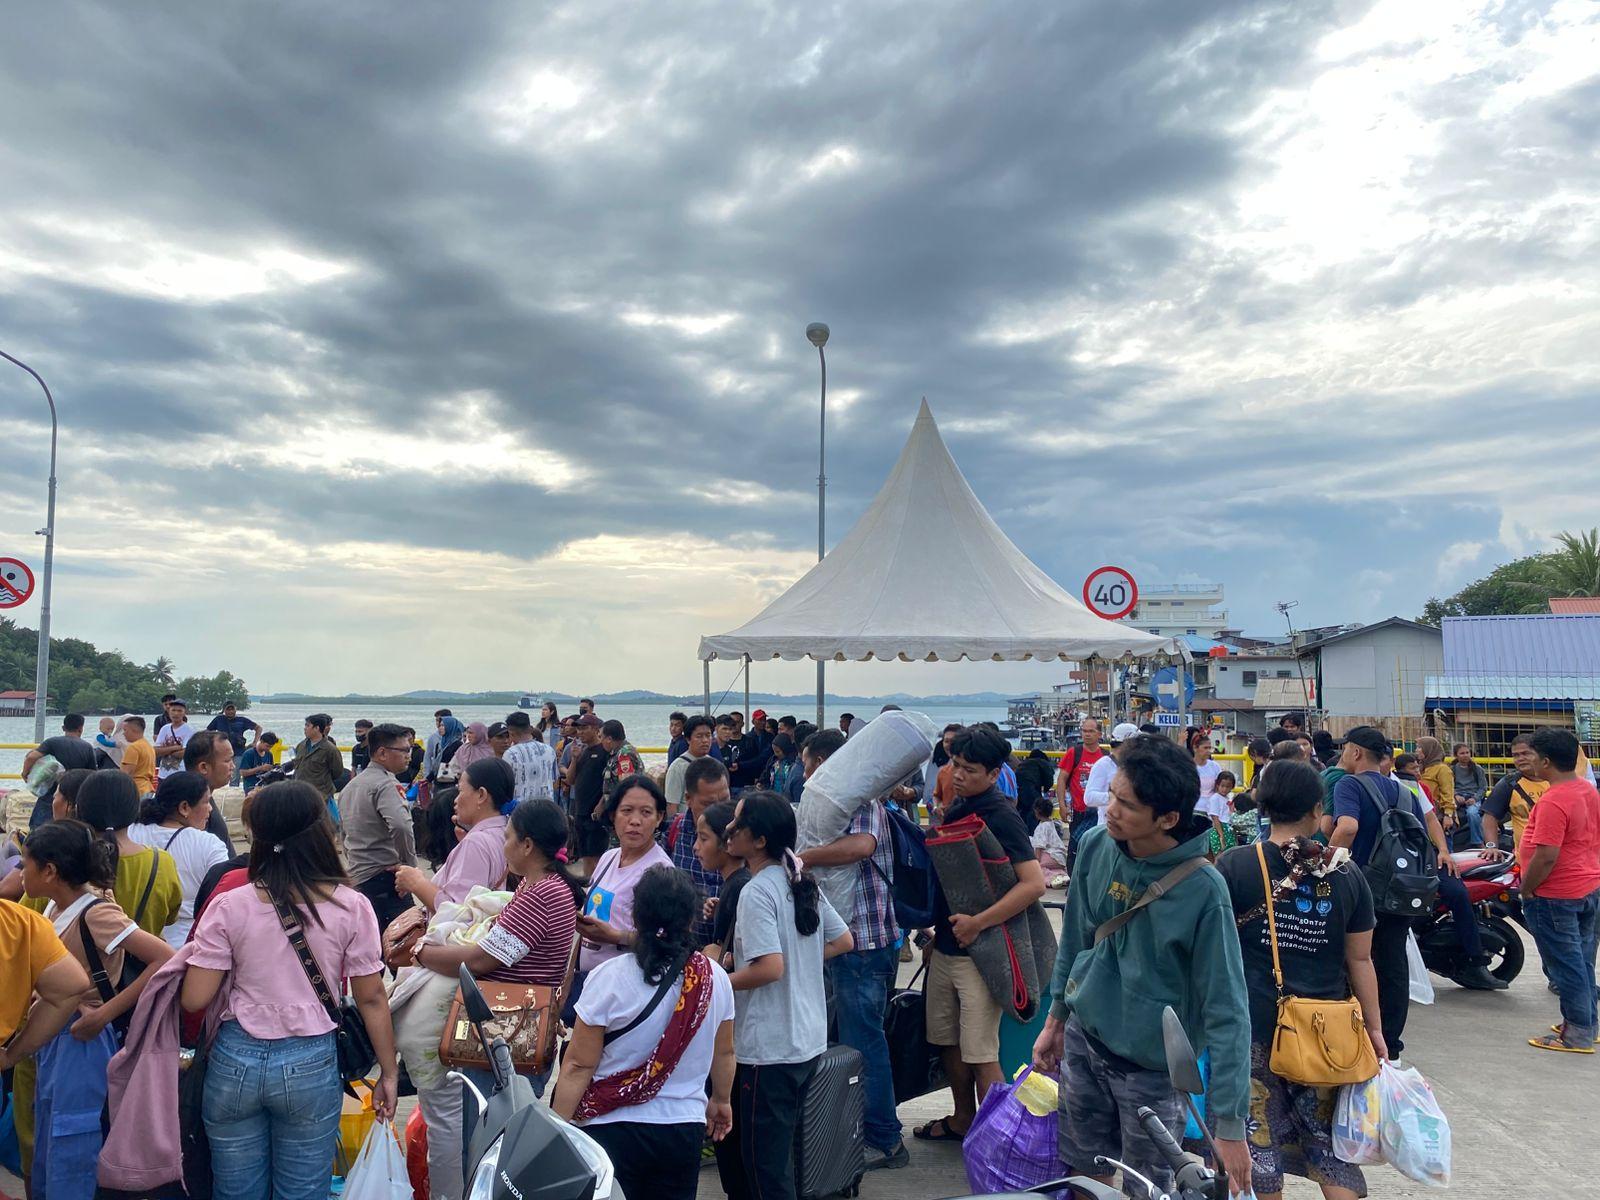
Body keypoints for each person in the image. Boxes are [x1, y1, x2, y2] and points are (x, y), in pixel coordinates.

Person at [1033, 734, 1253, 1198]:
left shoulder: (1204, 890)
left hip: (1152, 1071)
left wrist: (1230, 1126)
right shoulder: (1095, 845)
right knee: (1082, 1173)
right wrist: (1056, 1020)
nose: (1111, 809)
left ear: (1168, 818)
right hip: (1084, 1042)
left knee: (1147, 1188)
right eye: (1112, 794)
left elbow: (1227, 1008)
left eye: (1127, 804)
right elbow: (1075, 938)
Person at [182, 780, 400, 1200]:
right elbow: (372, 997)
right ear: (320, 832)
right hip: (310, 1063)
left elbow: (194, 998)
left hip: (233, 1061)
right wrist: (388, 1073)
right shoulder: (351, 906)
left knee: (234, 1191)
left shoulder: (231, 905)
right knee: (302, 1190)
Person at [1214, 761, 1384, 1200]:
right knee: (1331, 1149)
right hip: (1329, 1033)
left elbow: (1211, 951)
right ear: (1317, 808)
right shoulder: (1346, 872)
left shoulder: (1236, 865)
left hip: (1255, 1027)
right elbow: (1361, 959)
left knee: (1260, 1149)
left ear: (1264, 806)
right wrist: (1376, 1030)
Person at [400, 799, 584, 1196]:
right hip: (512, 1031)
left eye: (508, 838)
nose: (503, 846)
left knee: (488, 1144)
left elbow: (482, 959)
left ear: (528, 845)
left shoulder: (541, 894)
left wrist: (424, 952)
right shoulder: (544, 888)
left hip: (507, 1035)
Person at [552, 867, 736, 1200]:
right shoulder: (715, 979)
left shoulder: (608, 978)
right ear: (691, 921)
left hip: (611, 1130)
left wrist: (557, 1129)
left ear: (636, 917)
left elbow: (578, 1066)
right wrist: (721, 1101)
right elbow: (724, 1053)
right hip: (682, 1131)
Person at [19, 820, 178, 1200]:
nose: (20, 872)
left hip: (81, 1040)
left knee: (74, 1139)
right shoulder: (60, 906)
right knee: (51, 1136)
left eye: (25, 863)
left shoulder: (96, 913)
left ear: (50, 871)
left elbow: (163, 958)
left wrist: (103, 1015)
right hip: (56, 1037)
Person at [1324, 727, 1498, 1062]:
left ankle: (1355, 1036)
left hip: (1361, 887)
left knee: (1356, 960)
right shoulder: (1405, 790)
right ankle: (1391, 1044)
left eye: (1345, 748)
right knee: (1392, 959)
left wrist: (1325, 862)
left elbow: (1347, 827)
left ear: (1357, 752)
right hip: (1401, 888)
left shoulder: (1349, 784)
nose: (1343, 755)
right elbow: (1420, 834)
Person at [719, 791, 852, 1200]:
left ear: (758, 840)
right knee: (784, 1157)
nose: (728, 829)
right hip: (806, 1041)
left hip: (768, 1049)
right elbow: (842, 940)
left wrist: (718, 980)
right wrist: (801, 960)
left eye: (736, 824)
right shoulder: (798, 878)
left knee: (764, 1170)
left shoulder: (757, 891)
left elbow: (770, 969)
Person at [918, 725, 1045, 1144]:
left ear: (993, 775)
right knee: (945, 1041)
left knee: (979, 1049)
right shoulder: (958, 806)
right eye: (955, 764)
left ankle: (997, 1140)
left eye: (970, 770)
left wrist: (980, 922)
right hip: (949, 947)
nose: (957, 774)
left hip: (984, 952)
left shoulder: (1001, 815)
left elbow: (1033, 884)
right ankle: (961, 1120)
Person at [798, 787, 906, 1171]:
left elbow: (862, 845)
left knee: (863, 1043)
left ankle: (884, 1137)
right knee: (853, 1038)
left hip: (864, 942)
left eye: (813, 769)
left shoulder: (859, 799)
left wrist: (802, 858)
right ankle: (861, 1129)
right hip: (854, 943)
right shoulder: (843, 802)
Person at [1517, 727, 1600, 1052]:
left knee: (1565, 964)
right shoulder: (1587, 791)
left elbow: (1547, 855)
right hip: (1587, 886)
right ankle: (1586, 1022)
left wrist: (1527, 888)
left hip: (1556, 895)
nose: (1528, 763)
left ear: (1546, 761)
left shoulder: (1553, 800)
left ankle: (1576, 1033)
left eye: (1532, 756)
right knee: (1581, 960)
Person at [577, 775, 674, 988]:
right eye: (626, 811)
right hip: (591, 981)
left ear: (659, 818)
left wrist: (616, 936)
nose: (635, 821)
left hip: (628, 987)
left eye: (646, 812)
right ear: (613, 815)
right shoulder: (608, 857)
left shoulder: (661, 872)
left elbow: (667, 941)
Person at [393, 756, 513, 913]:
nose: (456, 800)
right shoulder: (505, 831)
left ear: (481, 795)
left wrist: (416, 882)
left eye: (461, 790)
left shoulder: (476, 842)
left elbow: (458, 912)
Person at [75, 770, 183, 939]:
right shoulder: (160, 862)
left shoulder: (65, 860)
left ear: (78, 810)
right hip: (145, 963)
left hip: (72, 964)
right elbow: (170, 917)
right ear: (135, 812)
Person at [128, 771, 229, 946]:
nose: (210, 809)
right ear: (184, 808)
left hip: (132, 939)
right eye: (206, 801)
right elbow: (223, 898)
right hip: (187, 943)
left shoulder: (131, 833)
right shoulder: (209, 845)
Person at [339, 722, 419, 932]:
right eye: (404, 750)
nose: (408, 755)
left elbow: (344, 833)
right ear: (382, 753)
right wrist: (409, 864)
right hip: (386, 877)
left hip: (359, 876)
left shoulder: (351, 787)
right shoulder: (386, 785)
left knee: (369, 950)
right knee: (404, 949)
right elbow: (402, 827)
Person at [666, 755, 731, 946]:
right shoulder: (675, 831)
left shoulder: (743, 834)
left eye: (725, 800)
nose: (719, 810)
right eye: (708, 804)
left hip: (729, 956)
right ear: (688, 799)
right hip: (684, 951)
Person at [24, 713, 100, 825]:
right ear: (81, 728)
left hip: (50, 792)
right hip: (75, 795)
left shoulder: (52, 742)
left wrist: (25, 773)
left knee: (40, 827)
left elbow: (32, 757)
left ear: (63, 728)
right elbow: (93, 774)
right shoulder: (87, 747)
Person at [695, 800, 747, 962]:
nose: (695, 846)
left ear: (727, 843)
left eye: (703, 839)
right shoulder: (734, 883)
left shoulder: (738, 887)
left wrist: (726, 957)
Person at [1052, 717, 1106, 866]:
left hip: (1101, 813)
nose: (1087, 734)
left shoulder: (1106, 756)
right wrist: (1062, 805)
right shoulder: (1073, 753)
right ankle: (1073, 884)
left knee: (1099, 851)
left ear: (1099, 734)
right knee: (1075, 850)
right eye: (1084, 731)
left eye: (1091, 731)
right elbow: (1061, 780)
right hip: (1080, 812)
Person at [1482, 732, 1549, 852]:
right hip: (1526, 860)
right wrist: (1491, 847)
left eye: (1526, 753)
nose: (1520, 759)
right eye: (1516, 755)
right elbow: (1490, 816)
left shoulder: (1556, 779)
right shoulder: (1509, 784)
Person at [568, 714, 613, 877]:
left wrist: (601, 805)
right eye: (578, 728)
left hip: (595, 815)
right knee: (586, 857)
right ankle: (588, 889)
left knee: (597, 859)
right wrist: (574, 758)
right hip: (580, 812)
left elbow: (610, 784)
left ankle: (597, 889)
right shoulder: (584, 751)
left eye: (584, 728)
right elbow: (570, 780)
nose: (580, 732)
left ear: (595, 729)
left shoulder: (604, 752)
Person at [183, 729, 240, 852]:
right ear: (203, 767)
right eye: (227, 761)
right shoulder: (194, 809)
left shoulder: (205, 799)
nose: (233, 766)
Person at [1083, 722, 1142, 826]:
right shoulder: (1103, 765)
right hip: (1108, 827)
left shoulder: (1135, 764)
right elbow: (1089, 798)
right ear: (1125, 744)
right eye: (1136, 743)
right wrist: (1118, 797)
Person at [288, 713, 344, 821]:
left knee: (325, 826)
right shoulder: (301, 745)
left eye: (307, 726)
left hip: (321, 795)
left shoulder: (330, 749)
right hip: (300, 794)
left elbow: (337, 772)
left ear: (317, 728)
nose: (305, 729)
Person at [664, 715, 717, 814]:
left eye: (708, 735)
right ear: (688, 739)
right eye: (699, 736)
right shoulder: (678, 768)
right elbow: (671, 805)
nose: (705, 740)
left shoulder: (714, 765)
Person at [504, 709, 558, 802]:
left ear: (510, 732)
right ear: (530, 729)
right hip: (547, 807)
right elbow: (555, 781)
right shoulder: (549, 750)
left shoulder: (511, 754)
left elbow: (505, 785)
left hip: (521, 810)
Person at [1415, 736, 1458, 834]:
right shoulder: (1420, 768)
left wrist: (1448, 816)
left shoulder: (1442, 769)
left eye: (1419, 747)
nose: (1416, 750)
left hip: (1439, 816)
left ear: (1429, 749)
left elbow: (1448, 793)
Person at [1451, 743, 1489, 847]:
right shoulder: (1452, 769)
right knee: (1449, 814)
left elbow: (1483, 788)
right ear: (1456, 755)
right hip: (1458, 797)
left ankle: (1478, 841)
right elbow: (1449, 786)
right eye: (1462, 753)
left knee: (1472, 813)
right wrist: (1456, 795)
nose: (1465, 755)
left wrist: (1475, 798)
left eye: (1467, 752)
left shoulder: (1477, 769)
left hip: (1473, 796)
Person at [1031, 795, 1069, 887]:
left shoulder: (1041, 827)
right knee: (1050, 867)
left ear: (1037, 811)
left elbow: (1039, 847)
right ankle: (1062, 876)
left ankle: (1051, 879)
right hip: (1061, 858)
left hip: (1052, 856)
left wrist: (1036, 862)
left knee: (1036, 869)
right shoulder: (1053, 824)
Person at [153, 699, 195, 781]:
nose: (176, 713)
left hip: (181, 775)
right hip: (163, 775)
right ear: (169, 712)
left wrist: (164, 750)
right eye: (173, 710)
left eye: (179, 711)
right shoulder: (164, 729)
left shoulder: (189, 730)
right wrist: (175, 748)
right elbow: (155, 751)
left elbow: (183, 753)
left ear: (184, 712)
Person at [600, 719, 644, 798]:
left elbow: (627, 787)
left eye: (601, 737)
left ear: (609, 739)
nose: (600, 741)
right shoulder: (616, 753)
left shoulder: (624, 755)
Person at [1014, 749, 1054, 831]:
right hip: (1030, 788)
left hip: (1017, 788)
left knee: (1022, 811)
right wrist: (1046, 789)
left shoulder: (1024, 764)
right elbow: (1049, 779)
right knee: (1036, 810)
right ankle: (1033, 834)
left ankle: (1021, 832)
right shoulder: (1044, 763)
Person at [119, 715, 158, 798]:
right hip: (148, 788)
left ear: (134, 730)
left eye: (125, 730)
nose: (123, 733)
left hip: (136, 790)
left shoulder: (133, 747)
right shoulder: (148, 746)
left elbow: (126, 773)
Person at [422, 708, 455, 781]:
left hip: (452, 774)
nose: (438, 723)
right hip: (436, 775)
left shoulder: (457, 738)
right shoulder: (433, 737)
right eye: (436, 720)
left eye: (440, 720)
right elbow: (427, 757)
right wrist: (427, 776)